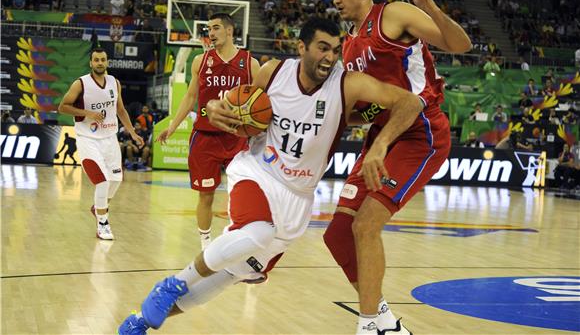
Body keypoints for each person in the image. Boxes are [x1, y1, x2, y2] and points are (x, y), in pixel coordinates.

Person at [118, 17, 425, 335]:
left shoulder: (349, 84)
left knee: (229, 275)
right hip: (258, 171)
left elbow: (409, 102)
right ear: (301, 47)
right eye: (322, 48)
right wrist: (216, 107)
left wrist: (379, 141)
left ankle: (140, 321)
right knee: (258, 232)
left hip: (298, 199)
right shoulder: (273, 72)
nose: (330, 57)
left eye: (336, 50)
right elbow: (223, 102)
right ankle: (174, 283)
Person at [328, 0, 471, 334]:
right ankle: (384, 321)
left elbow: (461, 45)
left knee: (367, 224)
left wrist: (433, 8)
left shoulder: (392, 15)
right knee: (339, 232)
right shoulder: (349, 42)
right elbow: (374, 105)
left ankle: (368, 324)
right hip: (382, 135)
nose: (336, 0)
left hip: (420, 132)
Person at [156, 13, 260, 250]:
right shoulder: (200, 61)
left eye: (215, 28)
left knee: (242, 196)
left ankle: (239, 243)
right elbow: (190, 97)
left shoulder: (249, 63)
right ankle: (206, 245)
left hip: (237, 137)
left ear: (230, 31)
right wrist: (172, 126)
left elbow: (260, 100)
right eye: (208, 29)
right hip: (205, 138)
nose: (210, 33)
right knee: (206, 195)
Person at [58, 48, 144, 240]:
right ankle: (103, 223)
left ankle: (98, 207)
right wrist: (88, 113)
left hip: (110, 138)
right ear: (90, 62)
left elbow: (120, 110)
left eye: (103, 60)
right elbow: (62, 106)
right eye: (96, 60)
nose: (99, 63)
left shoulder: (115, 82)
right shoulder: (80, 83)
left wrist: (132, 132)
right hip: (88, 139)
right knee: (102, 181)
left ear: (107, 62)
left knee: (116, 180)